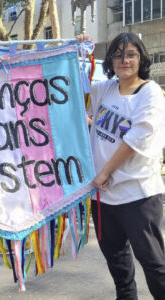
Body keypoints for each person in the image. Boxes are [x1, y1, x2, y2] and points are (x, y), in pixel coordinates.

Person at [78, 32, 165, 299]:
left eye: (131, 55)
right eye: (118, 54)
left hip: (137, 195)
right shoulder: (106, 88)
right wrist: (81, 52)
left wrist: (104, 172)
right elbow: (75, 91)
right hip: (104, 198)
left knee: (154, 264)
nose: (124, 60)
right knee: (119, 267)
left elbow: (136, 139)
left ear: (141, 59)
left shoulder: (149, 92)